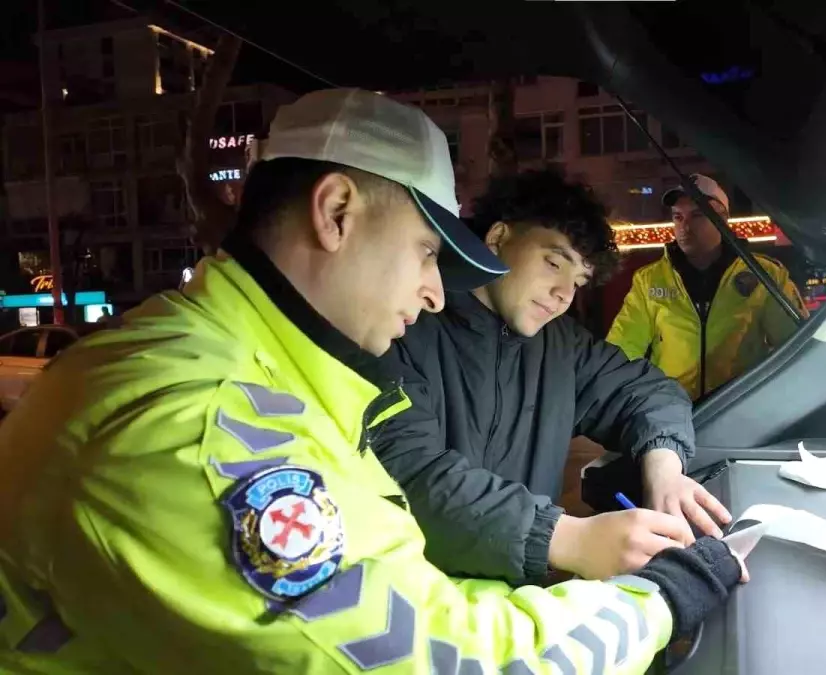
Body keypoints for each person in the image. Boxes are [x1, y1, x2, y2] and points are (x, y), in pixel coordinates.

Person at [0, 90, 746, 674]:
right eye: (426, 252)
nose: (431, 293)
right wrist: (653, 599)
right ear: (336, 213)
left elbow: (408, 594)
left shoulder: (270, 370)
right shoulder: (203, 428)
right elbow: (434, 658)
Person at [374, 169, 733, 586]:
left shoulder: (561, 347)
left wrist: (665, 470)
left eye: (578, 280)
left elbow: (648, 391)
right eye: (552, 263)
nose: (565, 293)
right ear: (497, 239)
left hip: (519, 607)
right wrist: (570, 539)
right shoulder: (402, 327)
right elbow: (412, 477)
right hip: (411, 603)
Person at [607, 174, 809, 401]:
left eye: (697, 215)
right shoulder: (649, 279)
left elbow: (796, 346)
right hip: (671, 413)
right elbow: (622, 350)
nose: (684, 226)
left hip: (738, 410)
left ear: (723, 219)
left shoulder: (765, 275)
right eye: (678, 217)